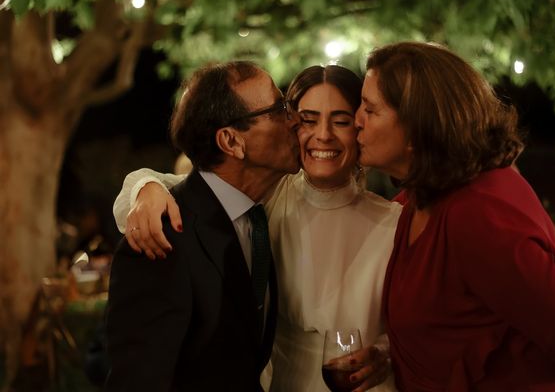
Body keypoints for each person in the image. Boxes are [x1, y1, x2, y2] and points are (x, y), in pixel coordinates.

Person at [112, 65, 400, 391]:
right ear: (232, 141)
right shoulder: (264, 202)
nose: (320, 133)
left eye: (342, 120)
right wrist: (144, 187)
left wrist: (385, 351)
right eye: (295, 115)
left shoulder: (254, 212)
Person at [354, 41, 555, 391]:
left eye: (370, 110)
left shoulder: (477, 216)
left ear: (418, 127)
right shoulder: (416, 200)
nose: (356, 120)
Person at [105, 61, 301, 391]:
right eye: (280, 108)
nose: (295, 120)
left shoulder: (254, 216)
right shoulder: (162, 238)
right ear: (231, 141)